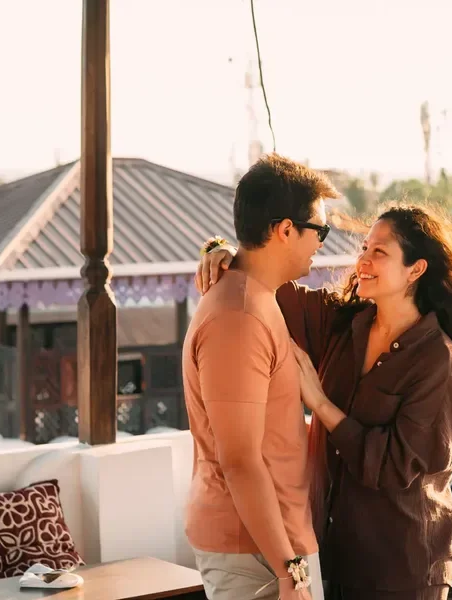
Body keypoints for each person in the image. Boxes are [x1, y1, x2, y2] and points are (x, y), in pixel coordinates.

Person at [197, 203, 452, 599]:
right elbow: (271, 279)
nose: (363, 259)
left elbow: (395, 466)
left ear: (416, 270)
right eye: (364, 247)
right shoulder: (344, 323)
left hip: (402, 568)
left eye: (380, 251)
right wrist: (222, 251)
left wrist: (321, 405)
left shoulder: (435, 359)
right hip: (334, 556)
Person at [182, 153, 338, 600]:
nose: (321, 243)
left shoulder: (257, 297)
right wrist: (289, 570)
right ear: (285, 230)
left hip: (272, 542)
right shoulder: (240, 317)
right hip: (257, 550)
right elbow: (239, 459)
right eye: (319, 231)